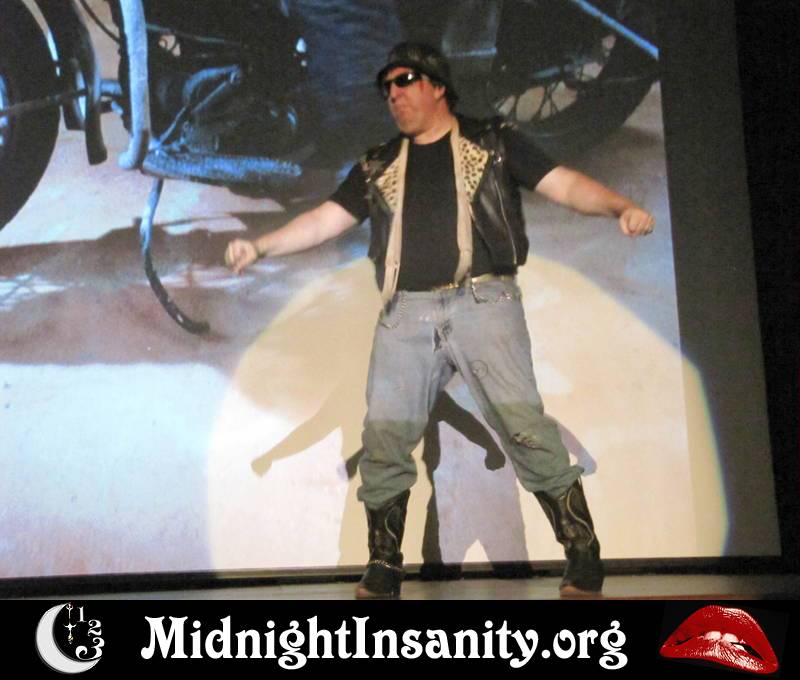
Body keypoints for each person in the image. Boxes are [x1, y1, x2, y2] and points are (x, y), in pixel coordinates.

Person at [225, 43, 655, 599]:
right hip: (405, 313)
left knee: (523, 426)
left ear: (437, 86)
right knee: (384, 438)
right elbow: (323, 220)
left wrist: (619, 206)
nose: (394, 94)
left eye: (404, 81)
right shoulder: (378, 163)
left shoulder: (492, 143)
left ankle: (582, 553)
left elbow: (564, 183)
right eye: (386, 87)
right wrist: (260, 246)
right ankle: (384, 566)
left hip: (484, 304)